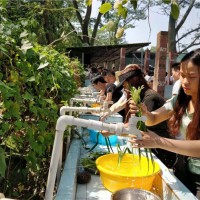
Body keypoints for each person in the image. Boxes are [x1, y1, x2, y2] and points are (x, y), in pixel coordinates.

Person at [129, 49, 200, 198]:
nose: (185, 82)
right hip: (183, 166)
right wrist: (144, 113)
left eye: (192, 76)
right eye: (182, 75)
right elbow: (154, 118)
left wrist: (158, 141)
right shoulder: (181, 99)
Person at [101, 64, 176, 168]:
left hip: (162, 151)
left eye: (125, 85)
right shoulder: (139, 97)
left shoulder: (150, 98)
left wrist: (112, 129)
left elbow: (139, 128)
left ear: (133, 82)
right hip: (152, 146)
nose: (125, 89)